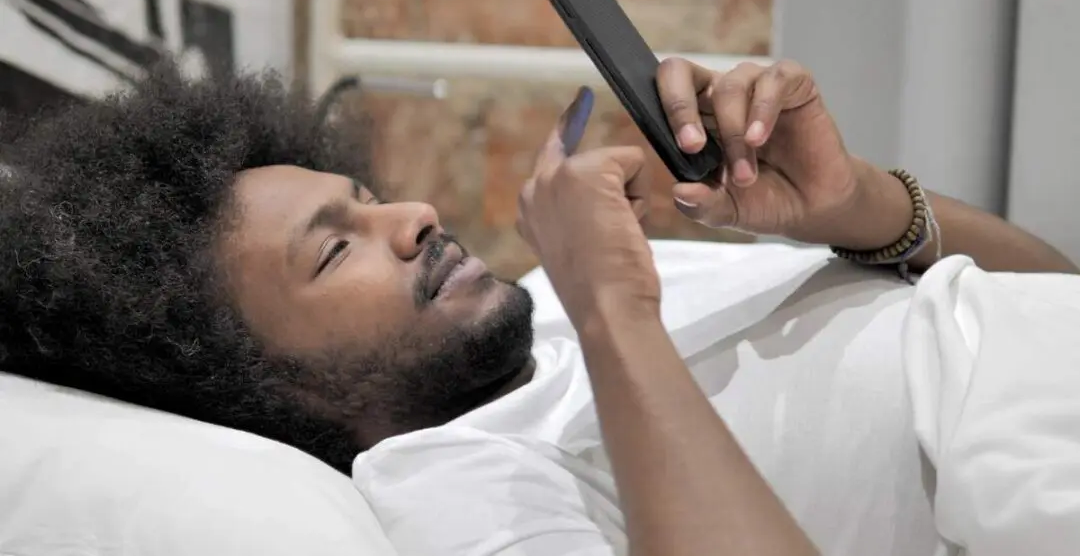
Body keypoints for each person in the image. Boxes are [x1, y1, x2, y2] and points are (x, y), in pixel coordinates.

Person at [0, 58, 1073, 555]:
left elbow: (1038, 300)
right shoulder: (456, 498)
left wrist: (858, 206)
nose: (413, 215)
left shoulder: (566, 296)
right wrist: (617, 315)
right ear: (246, 381)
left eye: (366, 200)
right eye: (336, 251)